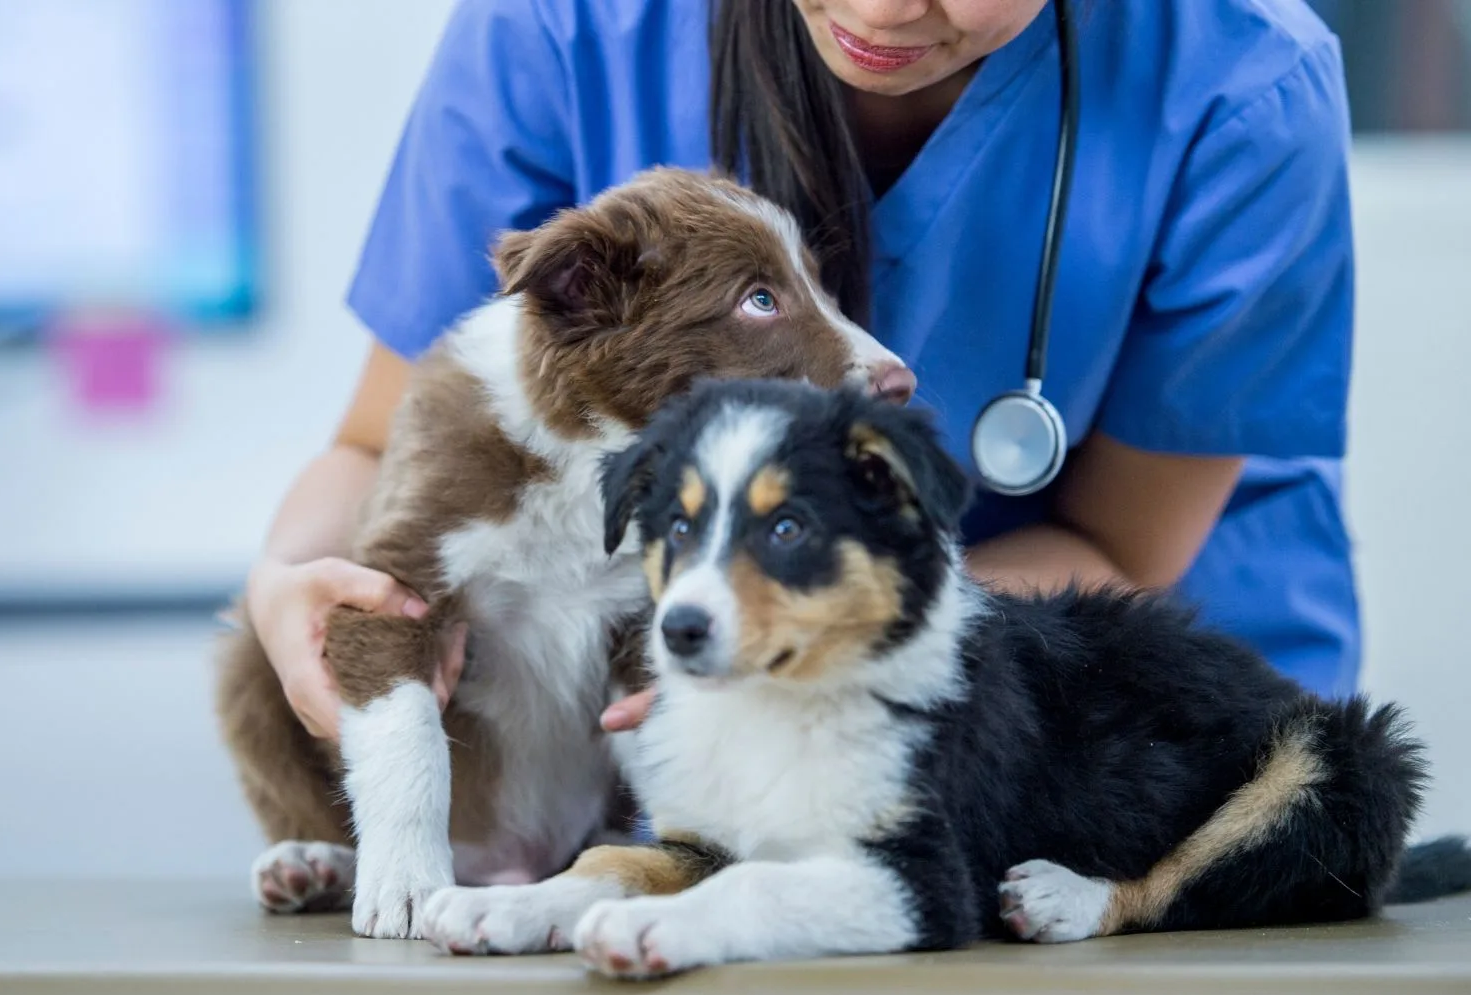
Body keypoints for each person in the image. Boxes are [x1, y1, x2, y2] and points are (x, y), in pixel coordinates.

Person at [244, 0, 1360, 744]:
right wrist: (290, 579)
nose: (879, 11)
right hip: (679, 744)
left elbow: (1124, 549)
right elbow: (378, 444)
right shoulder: (568, 25)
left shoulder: (1242, 87)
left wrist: (798, 647)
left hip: (1100, 719)